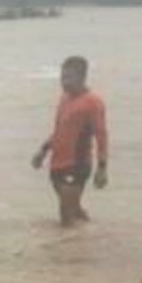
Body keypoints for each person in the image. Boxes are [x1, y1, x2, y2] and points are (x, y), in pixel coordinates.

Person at [31, 56, 108, 227]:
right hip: (58, 163)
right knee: (74, 209)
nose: (64, 82)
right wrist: (43, 151)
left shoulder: (93, 102)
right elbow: (60, 130)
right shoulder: (64, 98)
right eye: (62, 77)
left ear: (82, 77)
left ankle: (68, 251)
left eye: (68, 78)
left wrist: (102, 168)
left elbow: (101, 136)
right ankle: (94, 235)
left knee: (65, 219)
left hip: (77, 164)